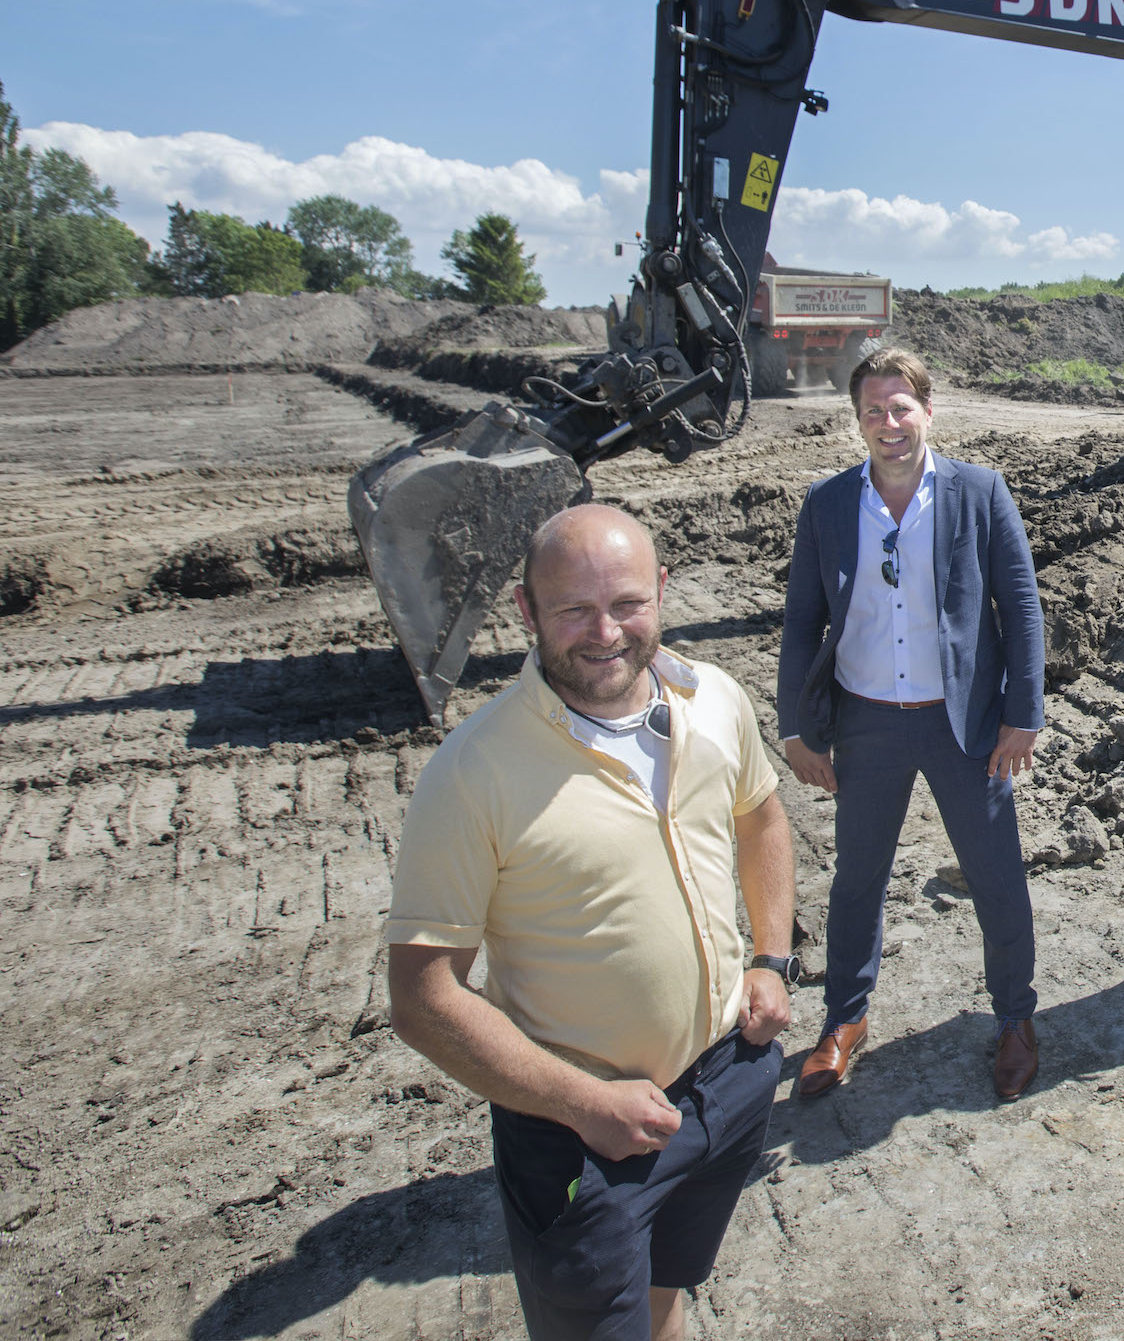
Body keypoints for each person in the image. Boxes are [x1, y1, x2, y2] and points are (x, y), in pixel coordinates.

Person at [386, 505, 796, 1341]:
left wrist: (773, 959)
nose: (605, 632)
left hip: (729, 1081)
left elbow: (763, 818)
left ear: (663, 595)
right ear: (525, 611)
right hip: (583, 1140)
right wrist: (580, 1103)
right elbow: (422, 998)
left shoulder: (712, 700)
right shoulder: (473, 772)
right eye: (573, 609)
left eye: (627, 603)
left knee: (666, 1293)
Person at [776, 346, 1047, 1101]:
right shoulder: (829, 504)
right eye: (873, 410)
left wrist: (1023, 713)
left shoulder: (979, 492)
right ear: (857, 420)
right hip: (865, 722)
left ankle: (1016, 1019)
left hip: (963, 727)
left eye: (902, 407)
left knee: (996, 878)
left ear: (929, 411)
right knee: (857, 878)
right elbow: (801, 620)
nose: (889, 423)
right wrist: (796, 728)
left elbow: (1019, 608)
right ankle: (843, 1020)